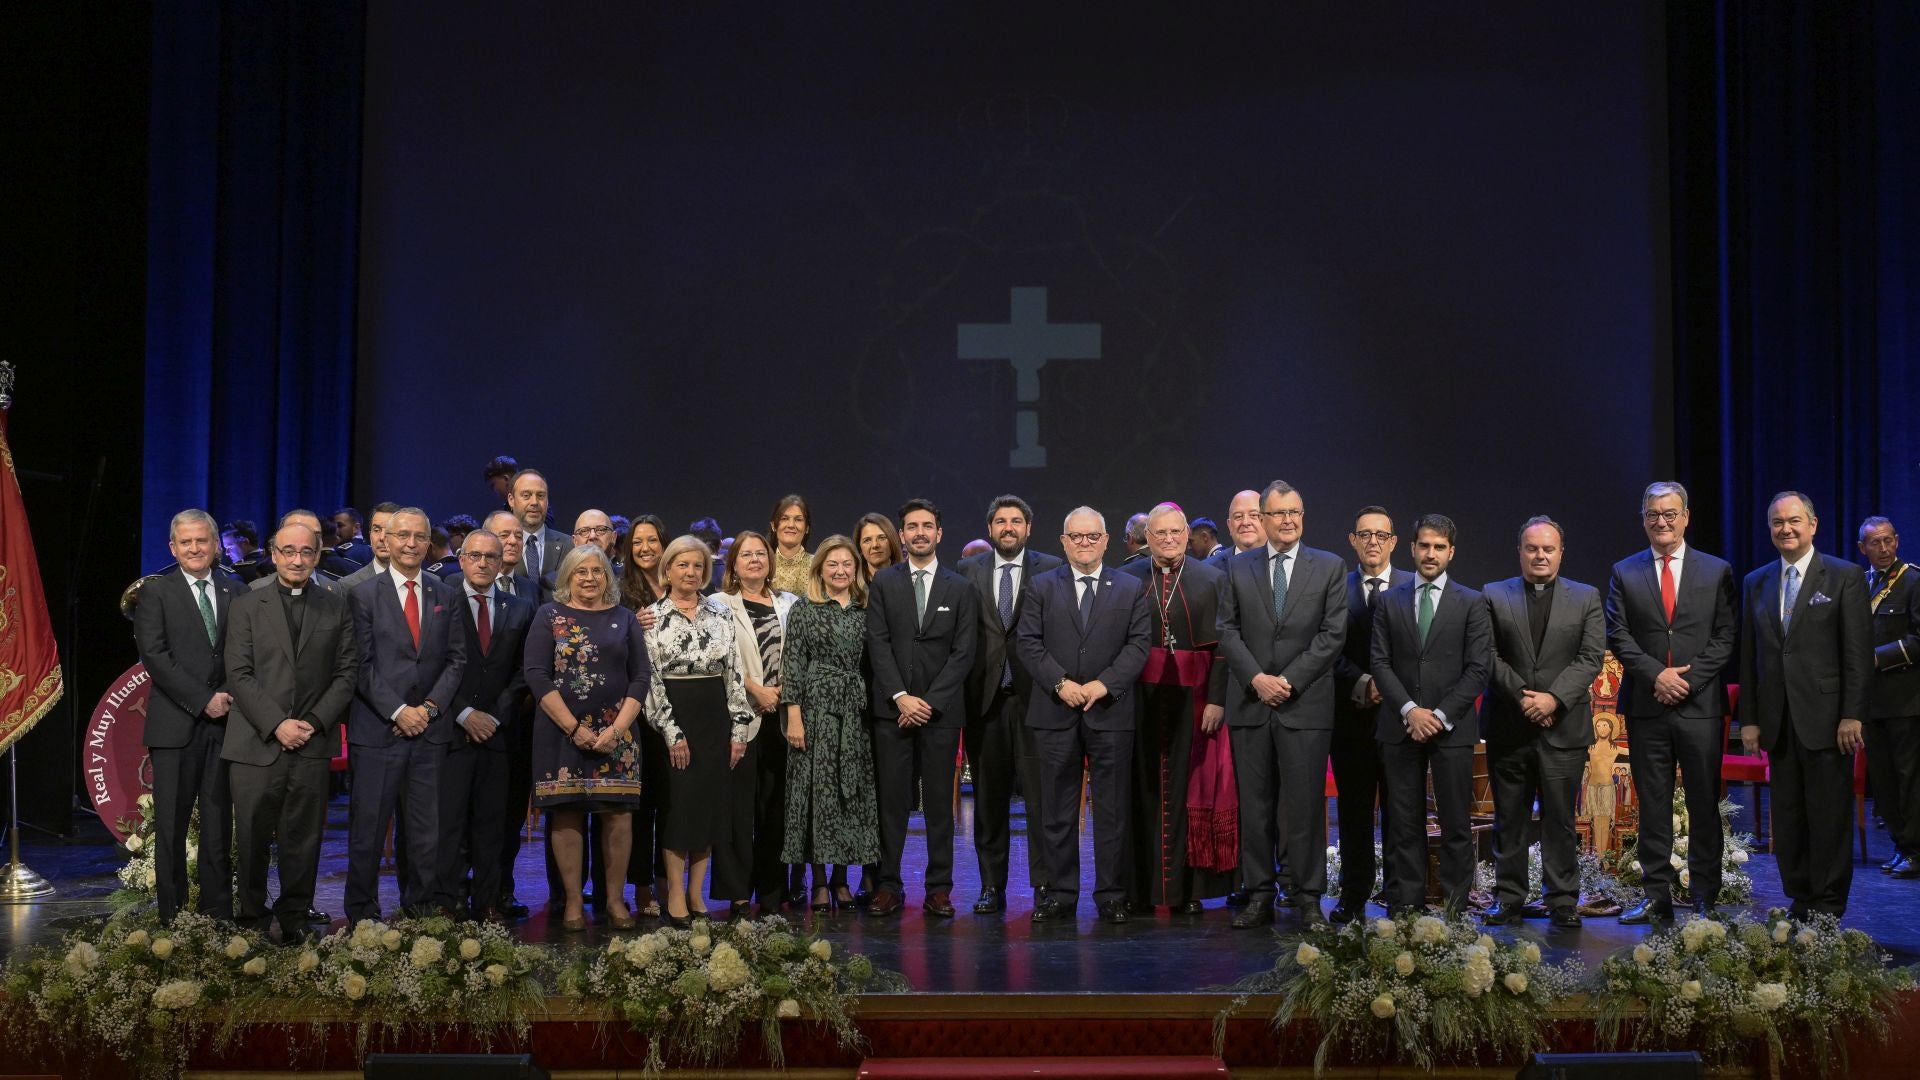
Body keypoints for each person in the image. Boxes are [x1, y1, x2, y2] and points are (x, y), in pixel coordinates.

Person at [1604, 481, 1737, 923]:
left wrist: (1689, 679)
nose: (1661, 521)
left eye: (1670, 513)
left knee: (1703, 804)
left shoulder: (1716, 570)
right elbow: (1618, 634)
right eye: (1652, 514)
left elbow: (1725, 636)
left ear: (1685, 516)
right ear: (1643, 519)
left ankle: (1704, 898)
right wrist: (1656, 675)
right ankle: (1656, 896)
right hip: (1647, 705)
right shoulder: (1624, 571)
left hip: (1699, 707)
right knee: (1654, 805)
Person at [1217, 480, 1348, 927]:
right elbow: (1227, 631)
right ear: (1262, 519)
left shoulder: (1329, 567)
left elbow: (1332, 636)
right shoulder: (1238, 568)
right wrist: (1257, 679)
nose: (1287, 520)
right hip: (1251, 705)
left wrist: (1287, 682)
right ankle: (1258, 894)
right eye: (1278, 513)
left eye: (1295, 512)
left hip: (1304, 705)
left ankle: (1309, 896)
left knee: (1306, 806)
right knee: (1254, 806)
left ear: (1302, 516)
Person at [1738, 491, 1873, 919]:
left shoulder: (1844, 576)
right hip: (1778, 722)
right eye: (1778, 523)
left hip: (1829, 721)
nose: (1786, 529)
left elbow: (1856, 653)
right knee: (1790, 817)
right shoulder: (1755, 581)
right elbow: (1750, 658)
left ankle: (1829, 904)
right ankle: (1799, 898)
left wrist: (1852, 714)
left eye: (1794, 521)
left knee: (1828, 817)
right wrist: (1750, 721)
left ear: (1813, 525)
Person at [222, 521, 357, 942]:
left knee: (304, 838)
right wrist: (277, 724)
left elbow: (346, 672)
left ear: (317, 555)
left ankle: (296, 915)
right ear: (274, 553)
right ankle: (251, 919)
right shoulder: (247, 603)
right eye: (288, 551)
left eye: (306, 552)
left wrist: (313, 724)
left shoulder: (335, 605)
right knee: (252, 838)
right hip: (255, 742)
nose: (297, 559)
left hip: (312, 743)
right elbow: (238, 674)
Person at [1017, 507, 1151, 924]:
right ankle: (1059, 893)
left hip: (1109, 712)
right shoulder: (1040, 586)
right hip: (1055, 711)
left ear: (1107, 540)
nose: (1084, 544)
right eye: (1076, 537)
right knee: (1056, 811)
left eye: (1092, 537)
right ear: (1063, 541)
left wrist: (1103, 684)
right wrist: (1060, 683)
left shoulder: (1130, 588)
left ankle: (1111, 894)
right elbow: (1028, 642)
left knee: (1111, 812)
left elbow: (1138, 645)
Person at [344, 506, 469, 922]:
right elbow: (360, 665)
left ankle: (419, 911)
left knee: (423, 834)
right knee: (368, 831)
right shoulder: (361, 595)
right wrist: (398, 711)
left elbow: (456, 660)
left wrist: (429, 709)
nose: (411, 544)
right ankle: (363, 915)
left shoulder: (446, 594)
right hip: (378, 730)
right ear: (387, 541)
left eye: (419, 536)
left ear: (428, 542)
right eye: (403, 536)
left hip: (429, 734)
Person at [1480, 517, 1605, 929]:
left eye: (1548, 549)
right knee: (1509, 820)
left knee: (1560, 821)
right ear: (1520, 551)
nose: (1540, 555)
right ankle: (1510, 899)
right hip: (1509, 727)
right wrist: (1522, 698)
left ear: (1560, 553)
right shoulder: (1493, 595)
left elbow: (1590, 657)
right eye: (1532, 548)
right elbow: (1487, 654)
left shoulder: (1586, 597)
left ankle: (1563, 901)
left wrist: (1553, 698)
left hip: (1563, 728)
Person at [1116, 502, 1236, 913]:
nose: (1168, 540)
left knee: (1188, 791)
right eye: (1159, 533)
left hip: (1196, 699)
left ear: (1188, 534)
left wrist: (1217, 699)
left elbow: (1224, 646)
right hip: (1140, 698)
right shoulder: (1127, 577)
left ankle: (1188, 891)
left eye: (1175, 532)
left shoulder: (1212, 578)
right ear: (1146, 538)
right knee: (1141, 789)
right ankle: (1140, 890)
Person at [864, 498, 979, 918]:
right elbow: (877, 643)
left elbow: (964, 652)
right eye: (911, 526)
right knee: (892, 802)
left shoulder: (960, 587)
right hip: (891, 711)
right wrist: (900, 697)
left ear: (939, 533)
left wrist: (928, 702)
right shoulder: (884, 583)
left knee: (938, 806)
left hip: (940, 714)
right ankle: (889, 885)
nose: (919, 533)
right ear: (902, 534)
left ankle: (939, 887)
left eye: (927, 526)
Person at [1370, 513, 1490, 914]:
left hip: (1450, 729)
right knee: (1404, 823)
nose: (1431, 553)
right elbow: (1380, 663)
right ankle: (1406, 906)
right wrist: (1410, 711)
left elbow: (1478, 668)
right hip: (1400, 726)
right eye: (1424, 545)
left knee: (1456, 823)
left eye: (1439, 547)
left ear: (1451, 552)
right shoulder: (1388, 601)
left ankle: (1456, 907)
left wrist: (1438, 715)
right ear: (1412, 548)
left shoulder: (1472, 602)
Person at [526, 544, 650, 930]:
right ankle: (574, 903)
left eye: (597, 571)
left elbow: (640, 677)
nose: (590, 578)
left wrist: (617, 729)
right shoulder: (549, 615)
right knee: (566, 815)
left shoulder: (625, 618)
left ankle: (614, 901)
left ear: (607, 577)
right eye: (581, 571)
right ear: (567, 576)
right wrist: (574, 728)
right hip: (562, 734)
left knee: (618, 818)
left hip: (618, 736)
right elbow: (536, 674)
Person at [133, 508, 245, 924]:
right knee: (171, 830)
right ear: (173, 548)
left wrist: (229, 695)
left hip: (226, 726)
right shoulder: (155, 593)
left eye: (203, 541)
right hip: (175, 728)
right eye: (186, 542)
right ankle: (173, 919)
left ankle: (217, 918)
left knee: (219, 828)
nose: (195, 548)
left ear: (216, 545)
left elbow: (245, 655)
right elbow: (156, 658)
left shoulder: (239, 591)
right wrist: (203, 699)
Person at [644, 535, 757, 926]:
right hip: (675, 718)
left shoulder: (720, 613)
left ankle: (696, 894)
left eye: (697, 566)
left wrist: (739, 729)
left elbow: (735, 674)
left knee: (709, 809)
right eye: (682, 565)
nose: (690, 572)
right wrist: (672, 732)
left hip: (716, 718)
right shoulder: (651, 617)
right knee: (679, 808)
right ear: (668, 570)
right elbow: (651, 681)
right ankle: (674, 892)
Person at [958, 495, 1062, 914]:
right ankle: (991, 886)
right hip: (985, 701)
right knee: (988, 801)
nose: (1008, 528)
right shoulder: (968, 571)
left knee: (1040, 801)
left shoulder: (1052, 567)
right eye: (1000, 521)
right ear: (990, 528)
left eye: (1016, 521)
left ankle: (1043, 885)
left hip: (1036, 698)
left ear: (1028, 528)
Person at [438, 529, 535, 921]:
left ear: (501, 563)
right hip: (452, 730)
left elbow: (523, 671)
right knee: (450, 823)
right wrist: (464, 713)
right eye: (474, 556)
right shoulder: (442, 603)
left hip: (499, 733)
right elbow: (434, 665)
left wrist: (494, 715)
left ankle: (488, 901)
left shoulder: (520, 607)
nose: (482, 563)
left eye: (490, 557)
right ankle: (450, 900)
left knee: (493, 824)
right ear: (461, 559)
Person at [781, 536, 882, 911]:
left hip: (855, 713)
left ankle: (843, 879)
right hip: (815, 711)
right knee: (817, 797)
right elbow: (792, 664)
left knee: (848, 795)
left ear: (855, 569)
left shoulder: (867, 610)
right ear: (820, 569)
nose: (840, 571)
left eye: (847, 564)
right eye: (832, 564)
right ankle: (820, 881)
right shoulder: (804, 610)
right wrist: (794, 717)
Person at [1326, 506, 1409, 923]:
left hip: (1400, 721)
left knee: (1400, 813)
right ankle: (1353, 895)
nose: (1373, 541)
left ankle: (1399, 898)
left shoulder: (1414, 586)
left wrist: (1390, 688)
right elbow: (1326, 651)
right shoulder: (1333, 588)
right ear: (1353, 540)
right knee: (1354, 813)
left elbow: (1421, 654)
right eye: (1365, 534)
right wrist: (1363, 683)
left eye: (1381, 535)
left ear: (1394, 542)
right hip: (1351, 721)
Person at [712, 530, 799, 916]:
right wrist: (756, 690)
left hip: (782, 718)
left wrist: (781, 693)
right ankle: (736, 888)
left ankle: (771, 889)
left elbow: (800, 655)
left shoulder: (790, 603)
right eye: (746, 555)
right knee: (735, 808)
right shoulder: (717, 604)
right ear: (733, 563)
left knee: (774, 807)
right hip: (739, 718)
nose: (754, 560)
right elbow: (718, 658)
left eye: (761, 554)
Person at [481, 509, 538, 918]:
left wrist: (501, 710)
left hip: (514, 721)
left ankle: (502, 888)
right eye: (504, 535)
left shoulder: (532, 589)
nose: (513, 542)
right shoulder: (453, 587)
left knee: (510, 814)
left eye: (518, 535)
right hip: (462, 720)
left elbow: (530, 661)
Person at [1859, 516, 1920, 876]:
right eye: (1874, 543)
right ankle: (1902, 845)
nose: (1883, 549)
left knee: (1909, 778)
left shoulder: (1913, 581)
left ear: (1897, 540)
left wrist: (1878, 657)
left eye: (1888, 541)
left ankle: (1914, 848)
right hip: (1872, 703)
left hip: (1906, 700)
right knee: (1883, 782)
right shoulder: (1863, 584)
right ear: (1862, 548)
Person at [617, 512, 670, 913]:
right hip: (637, 709)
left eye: (652, 540)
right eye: (638, 542)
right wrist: (631, 625)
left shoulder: (684, 582)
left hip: (680, 708)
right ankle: (642, 886)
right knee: (642, 804)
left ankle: (670, 881)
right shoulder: (620, 590)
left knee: (673, 801)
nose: (646, 548)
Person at [510, 469, 571, 593]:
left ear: (547, 501)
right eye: (526, 495)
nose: (534, 502)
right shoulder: (497, 546)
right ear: (511, 500)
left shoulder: (570, 545)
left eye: (540, 496)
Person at [338, 502, 401, 589]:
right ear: (370, 534)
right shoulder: (350, 585)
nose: (382, 538)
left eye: (389, 531)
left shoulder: (420, 581)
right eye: (376, 530)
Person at [769, 494, 813, 596]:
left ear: (807, 528)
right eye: (784, 518)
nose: (791, 525)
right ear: (773, 526)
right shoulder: (763, 565)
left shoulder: (817, 566)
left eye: (798, 520)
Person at [1207, 490, 1265, 567]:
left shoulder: (1283, 563)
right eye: (1238, 516)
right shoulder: (1210, 569)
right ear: (1230, 526)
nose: (1245, 522)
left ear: (1267, 521)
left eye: (1253, 515)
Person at [855, 512, 903, 584]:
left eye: (881, 538)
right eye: (867, 540)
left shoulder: (909, 581)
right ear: (860, 548)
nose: (875, 545)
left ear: (892, 542)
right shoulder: (851, 589)